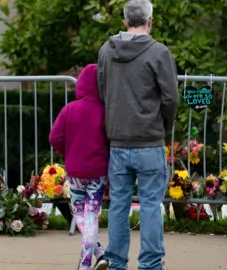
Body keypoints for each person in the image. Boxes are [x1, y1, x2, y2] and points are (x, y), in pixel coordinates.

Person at [96, 0, 179, 269]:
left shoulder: (106, 52)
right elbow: (171, 99)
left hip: (118, 142)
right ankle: (151, 265)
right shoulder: (159, 53)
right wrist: (162, 128)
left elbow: (102, 91)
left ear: (124, 22)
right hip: (149, 142)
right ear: (150, 21)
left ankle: (116, 262)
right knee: (151, 206)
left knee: (118, 206)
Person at [49, 64, 109, 270]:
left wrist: (68, 151)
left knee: (80, 215)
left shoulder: (69, 109)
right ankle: (99, 253)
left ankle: (86, 263)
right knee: (91, 215)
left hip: (75, 173)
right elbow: (111, 140)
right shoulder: (105, 111)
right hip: (98, 173)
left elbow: (54, 137)